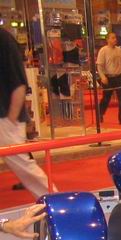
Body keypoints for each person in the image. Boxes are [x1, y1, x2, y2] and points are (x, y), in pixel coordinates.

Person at [0, 27, 54, 199]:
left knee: (24, 166)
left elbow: (19, 83)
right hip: (6, 116)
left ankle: (55, 201)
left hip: (5, 116)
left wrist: (11, 119)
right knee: (24, 165)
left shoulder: (4, 40)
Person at [96, 32, 121, 125]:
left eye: (115, 37)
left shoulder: (119, 50)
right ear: (107, 40)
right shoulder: (103, 50)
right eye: (112, 38)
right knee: (106, 98)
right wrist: (102, 77)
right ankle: (100, 113)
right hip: (108, 78)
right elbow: (99, 66)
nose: (115, 39)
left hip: (119, 77)